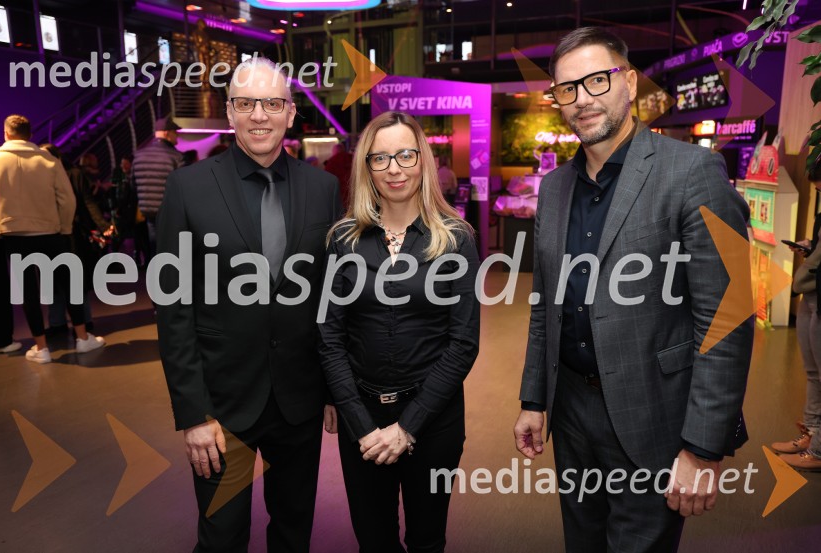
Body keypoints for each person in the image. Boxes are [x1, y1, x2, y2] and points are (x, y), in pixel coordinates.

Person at [512, 28, 753, 552]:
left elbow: (728, 318)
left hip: (655, 414)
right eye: (567, 89)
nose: (583, 99)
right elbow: (545, 307)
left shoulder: (695, 172)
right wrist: (535, 398)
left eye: (596, 80)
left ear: (627, 81)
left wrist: (702, 448)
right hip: (572, 411)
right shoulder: (554, 189)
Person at [156, 58, 341, 553]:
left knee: (293, 529)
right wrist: (192, 413)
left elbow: (330, 297)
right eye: (246, 104)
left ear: (291, 112)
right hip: (222, 405)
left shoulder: (322, 188)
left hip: (298, 400)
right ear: (230, 114)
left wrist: (332, 389)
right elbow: (173, 308)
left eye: (272, 104)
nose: (260, 115)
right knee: (221, 535)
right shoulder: (188, 187)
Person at [318, 111, 480, 553]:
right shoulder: (343, 240)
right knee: (374, 540)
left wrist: (406, 429)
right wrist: (360, 423)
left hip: (433, 418)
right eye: (381, 158)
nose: (395, 168)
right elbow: (330, 336)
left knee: (427, 539)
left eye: (406, 155)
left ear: (422, 160)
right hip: (363, 420)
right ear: (366, 168)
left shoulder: (456, 238)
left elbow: (464, 343)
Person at [0, 115, 105, 363]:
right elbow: (67, 199)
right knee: (69, 283)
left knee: (28, 292)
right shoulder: (49, 160)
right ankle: (83, 338)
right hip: (51, 233)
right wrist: (63, 228)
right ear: (30, 135)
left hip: (14, 234)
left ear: (6, 133)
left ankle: (41, 349)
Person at [772, 165, 821, 471]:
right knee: (813, 372)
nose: (817, 192)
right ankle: (812, 434)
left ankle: (818, 451)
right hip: (812, 295)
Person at [41, 144, 113, 335]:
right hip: (64, 234)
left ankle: (72, 322)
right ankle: (73, 322)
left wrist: (103, 225)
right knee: (62, 279)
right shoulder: (72, 174)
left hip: (67, 234)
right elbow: (88, 201)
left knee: (63, 279)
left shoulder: (70, 175)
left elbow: (88, 202)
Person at [133, 116, 183, 255]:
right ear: (167, 133)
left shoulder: (139, 155)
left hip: (147, 209)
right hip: (169, 210)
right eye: (175, 132)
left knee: (154, 241)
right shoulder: (175, 156)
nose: (177, 136)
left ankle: (157, 271)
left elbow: (133, 184)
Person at [324, 143, 353, 210]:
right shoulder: (352, 158)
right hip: (353, 197)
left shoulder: (332, 162)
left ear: (334, 151)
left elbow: (326, 182)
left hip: (338, 199)